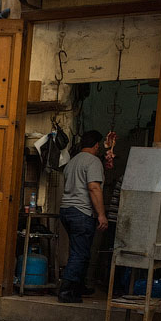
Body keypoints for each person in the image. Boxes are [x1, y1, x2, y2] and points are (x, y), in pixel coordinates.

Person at [58, 130, 109, 303]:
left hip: (66, 210)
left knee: (78, 251)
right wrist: (101, 214)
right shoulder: (93, 161)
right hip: (81, 212)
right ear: (96, 145)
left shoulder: (72, 162)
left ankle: (78, 287)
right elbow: (94, 187)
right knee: (80, 253)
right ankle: (66, 291)